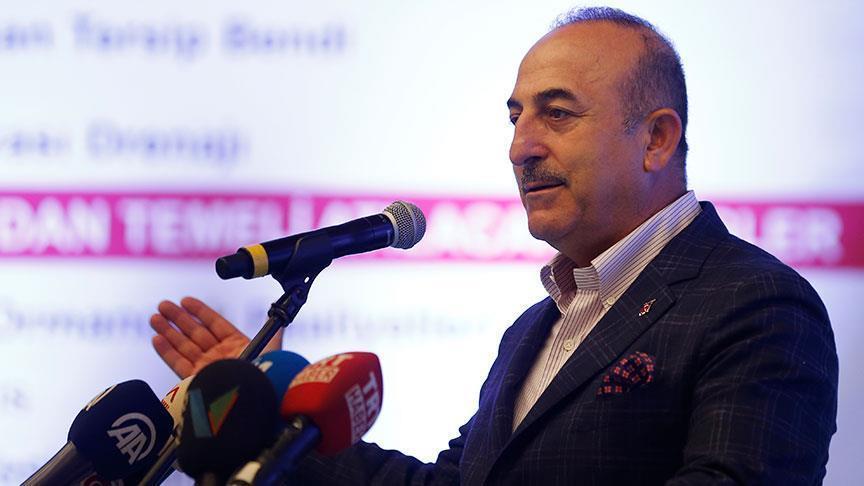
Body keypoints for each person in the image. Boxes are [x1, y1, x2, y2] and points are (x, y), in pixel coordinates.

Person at [150, 7, 838, 484]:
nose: (521, 147)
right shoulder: (535, 328)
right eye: (516, 118)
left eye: (557, 114)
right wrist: (273, 412)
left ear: (656, 139)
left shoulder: (756, 305)